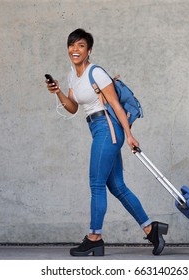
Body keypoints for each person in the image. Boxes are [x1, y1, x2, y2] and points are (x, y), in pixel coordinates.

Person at [46, 28, 168, 256]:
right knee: (117, 186)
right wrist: (58, 92)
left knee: (96, 184)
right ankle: (151, 230)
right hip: (96, 129)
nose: (75, 49)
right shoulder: (73, 75)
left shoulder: (96, 73)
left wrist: (129, 135)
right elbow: (72, 108)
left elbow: (117, 106)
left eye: (81, 45)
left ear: (89, 50)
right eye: (72, 45)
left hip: (107, 129)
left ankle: (94, 237)